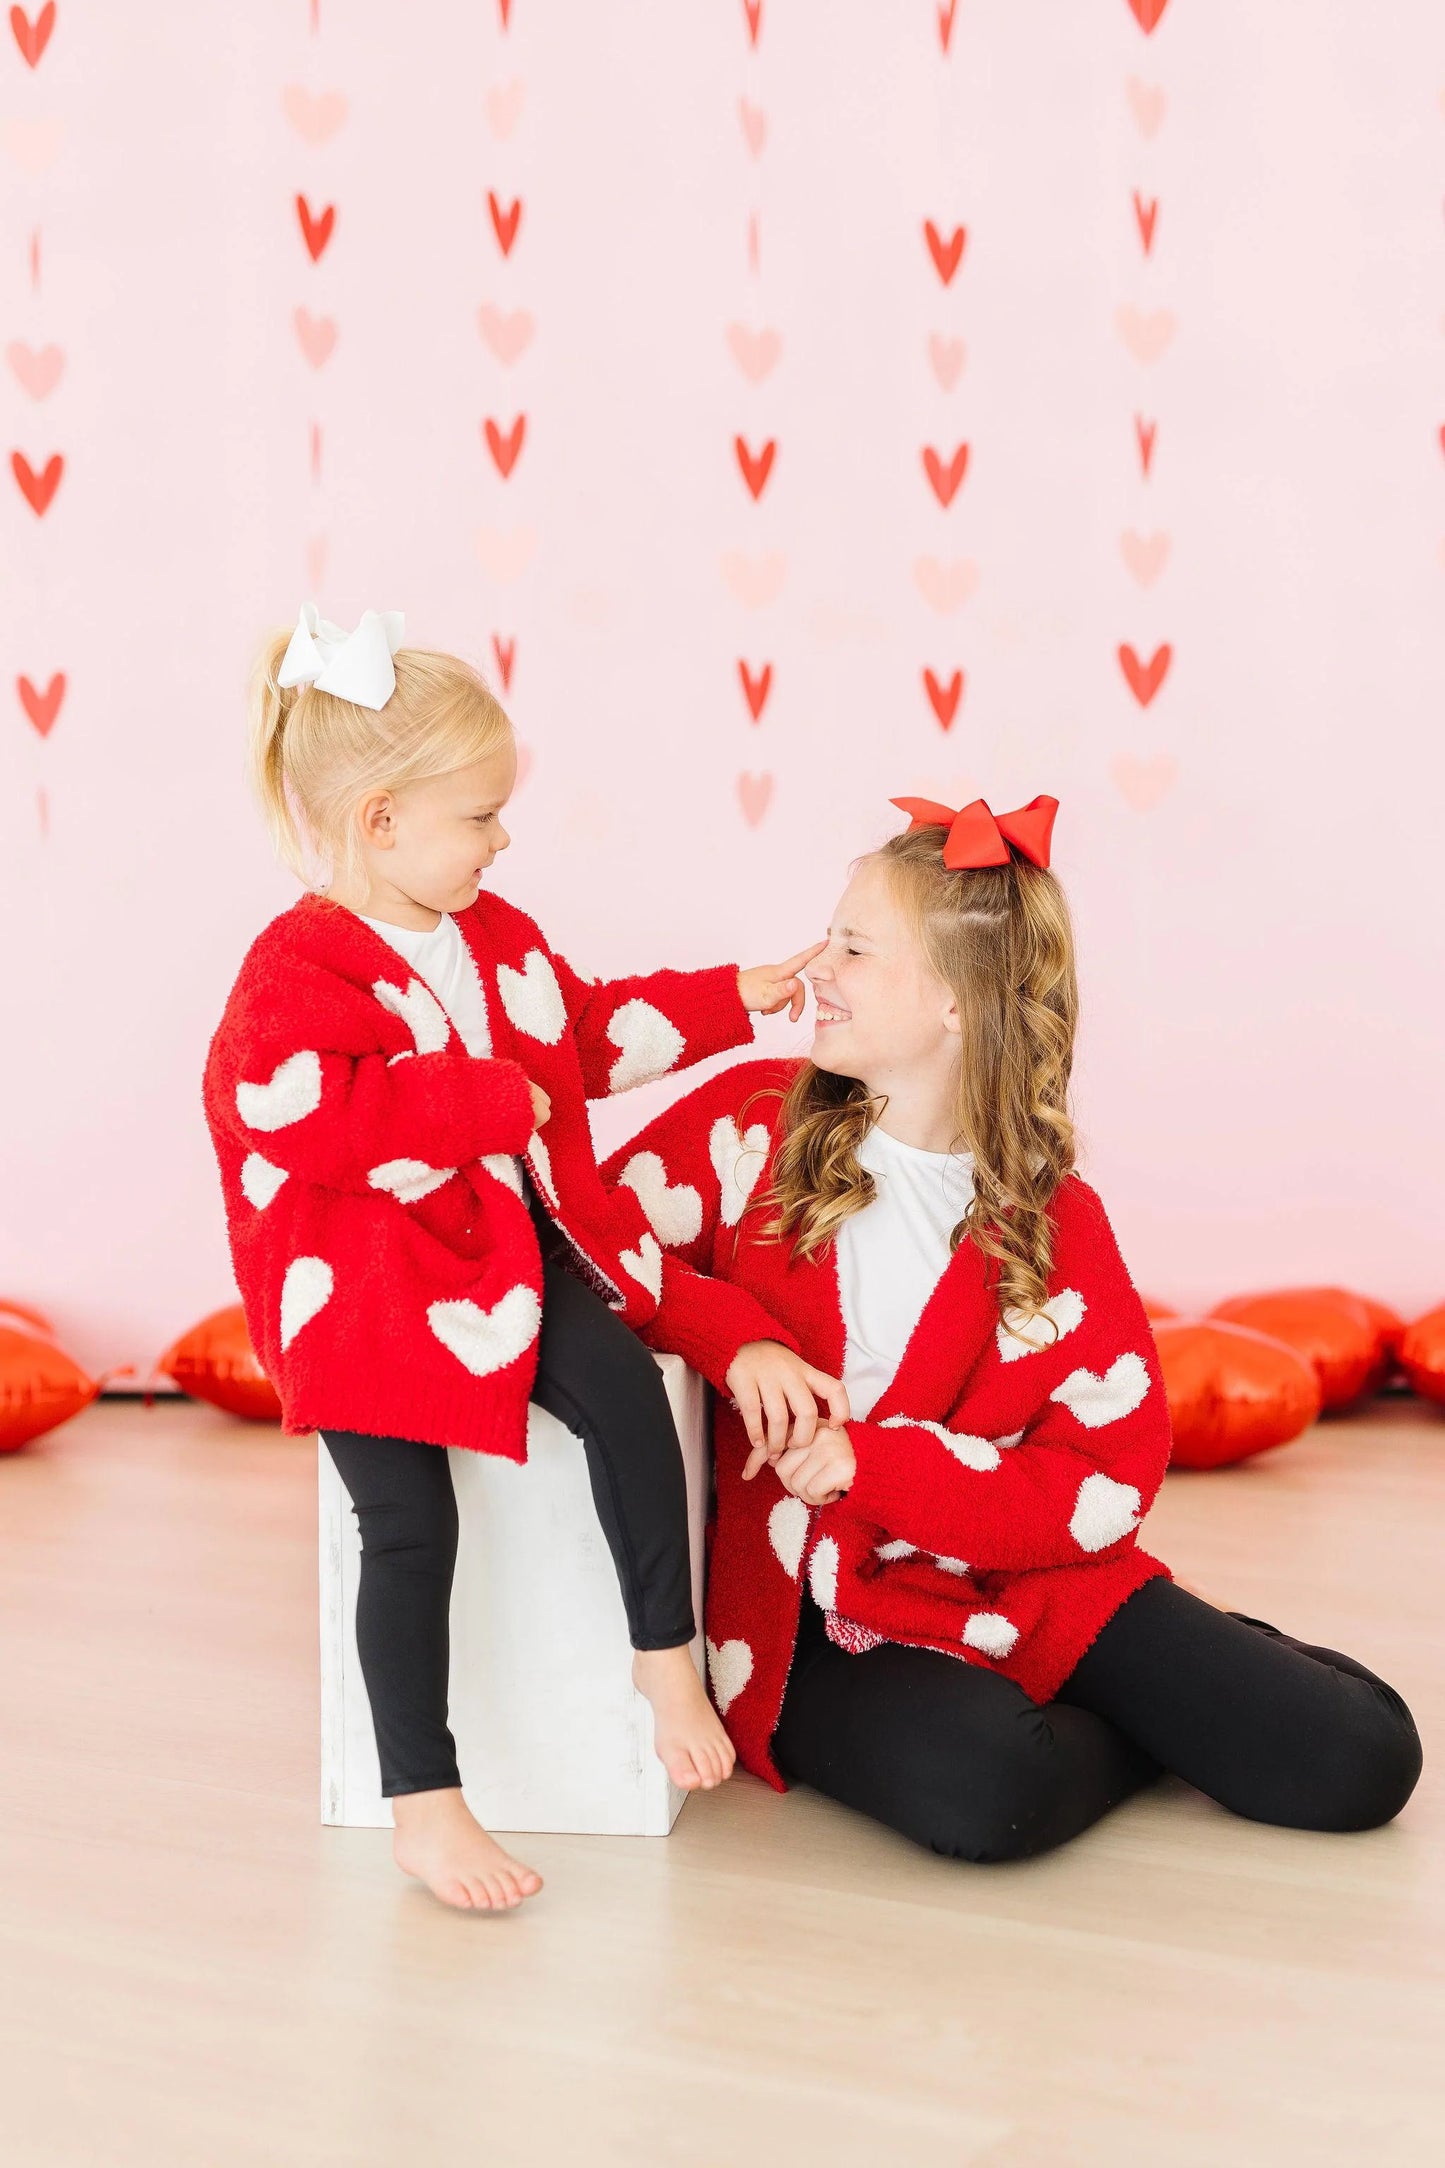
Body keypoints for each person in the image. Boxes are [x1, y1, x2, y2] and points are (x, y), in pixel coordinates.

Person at [600, 793, 1423, 1859]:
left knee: (1358, 1760)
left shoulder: (1056, 1222)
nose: (815, 969)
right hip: (818, 1609)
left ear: (956, 1001)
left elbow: (1101, 1479)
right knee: (989, 1789)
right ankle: (1135, 1720)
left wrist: (868, 1466)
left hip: (1024, 1577)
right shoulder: (750, 1127)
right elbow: (584, 1243)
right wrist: (735, 1338)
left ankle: (1185, 1669)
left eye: (854, 948)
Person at [203, 603, 847, 1910]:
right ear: (382, 820)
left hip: (502, 1251)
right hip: (366, 1291)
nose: (503, 841)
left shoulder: (491, 937)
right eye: (482, 817)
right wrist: (488, 1102)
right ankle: (424, 1802)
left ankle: (661, 1651)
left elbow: (583, 1037)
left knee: (623, 1394)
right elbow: (306, 1116)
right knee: (407, 1528)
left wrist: (730, 1000)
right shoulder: (296, 970)